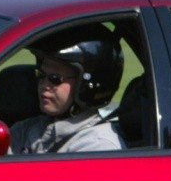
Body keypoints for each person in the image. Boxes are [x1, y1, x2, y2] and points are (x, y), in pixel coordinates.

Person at [9, 24, 124, 154]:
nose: (44, 85)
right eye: (41, 75)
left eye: (55, 78)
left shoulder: (98, 147)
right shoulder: (26, 130)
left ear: (86, 85)